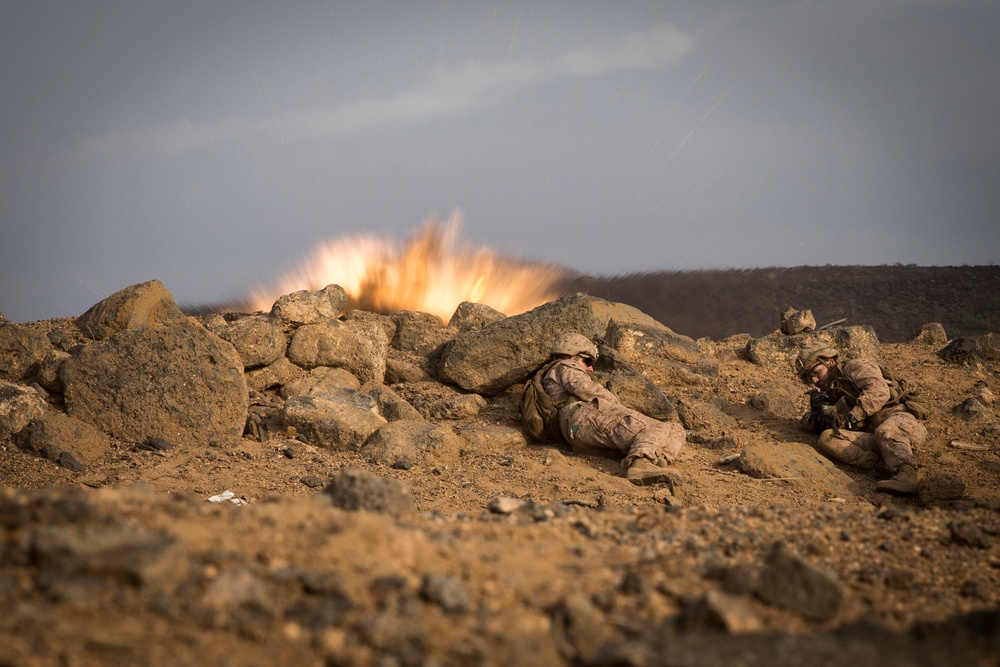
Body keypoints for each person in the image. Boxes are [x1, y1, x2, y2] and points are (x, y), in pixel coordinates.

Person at [541, 333, 686, 487]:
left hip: (581, 425)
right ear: (573, 355)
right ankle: (642, 463)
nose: (590, 368)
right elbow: (586, 389)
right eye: (588, 361)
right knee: (656, 427)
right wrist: (617, 405)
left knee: (676, 429)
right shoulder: (564, 365)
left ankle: (656, 460)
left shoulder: (558, 370)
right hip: (582, 417)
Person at [795, 344, 926, 495]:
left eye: (816, 372)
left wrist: (853, 416)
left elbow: (879, 390)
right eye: (810, 378)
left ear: (829, 361)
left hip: (900, 423)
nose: (815, 380)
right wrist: (816, 419)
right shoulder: (830, 394)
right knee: (827, 438)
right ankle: (883, 467)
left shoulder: (854, 367)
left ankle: (907, 475)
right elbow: (811, 422)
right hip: (875, 437)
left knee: (886, 430)